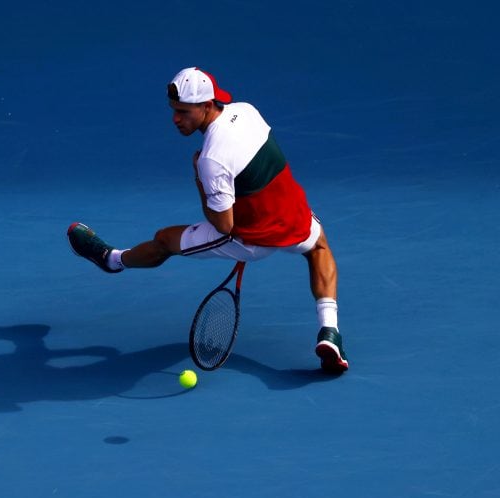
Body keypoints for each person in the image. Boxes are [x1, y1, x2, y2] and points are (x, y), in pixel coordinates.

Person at [67, 67, 348, 373]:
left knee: (164, 240)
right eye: (174, 111)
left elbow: (223, 226)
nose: (175, 119)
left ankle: (113, 260)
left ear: (205, 106)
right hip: (291, 213)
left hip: (250, 238)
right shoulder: (247, 110)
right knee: (318, 247)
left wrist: (200, 179)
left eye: (183, 112)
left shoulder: (211, 159)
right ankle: (330, 332)